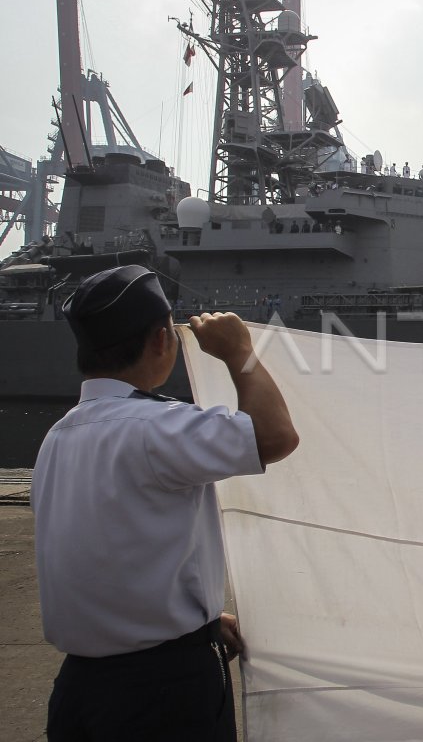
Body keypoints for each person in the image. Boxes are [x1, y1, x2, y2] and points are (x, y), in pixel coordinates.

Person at [32, 265, 299, 742]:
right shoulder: (155, 426)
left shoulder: (59, 436)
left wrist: (191, 615)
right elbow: (276, 437)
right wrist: (240, 352)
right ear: (161, 341)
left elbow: (102, 546)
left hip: (80, 689)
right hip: (163, 693)